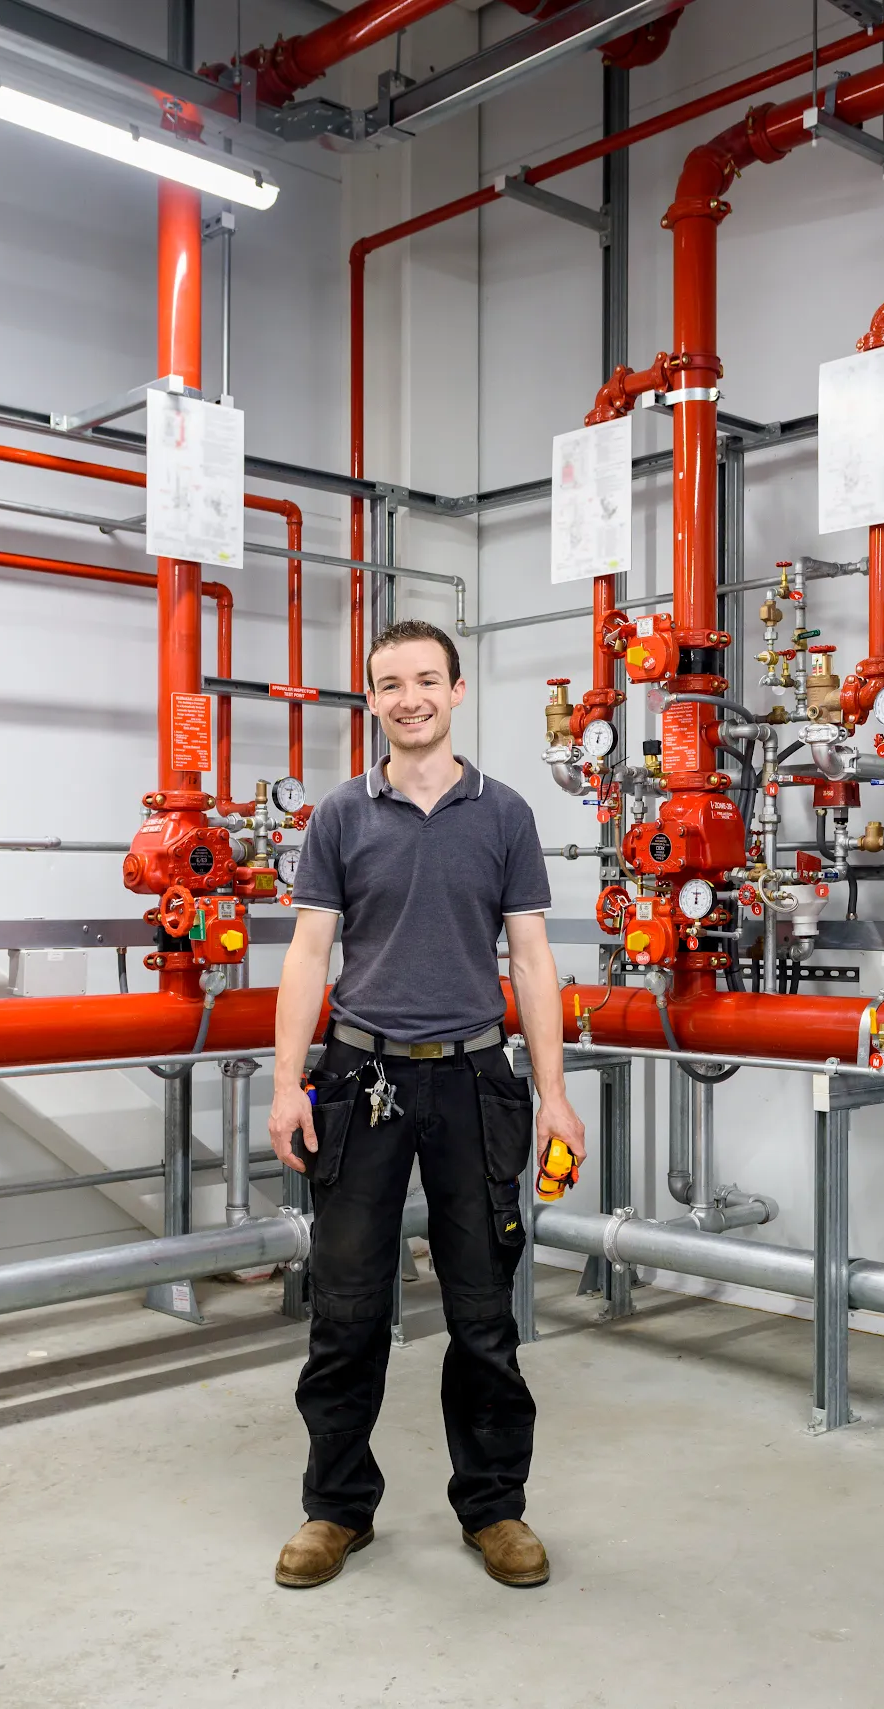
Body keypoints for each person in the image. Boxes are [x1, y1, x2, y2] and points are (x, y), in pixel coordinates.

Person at [267, 618, 585, 1591]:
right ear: (372, 700)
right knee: (348, 1307)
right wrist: (287, 1081)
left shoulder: (504, 815)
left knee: (484, 1311)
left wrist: (554, 1093)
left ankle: (493, 1507)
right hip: (359, 1077)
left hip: (474, 1076)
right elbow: (308, 953)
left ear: (455, 692)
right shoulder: (339, 817)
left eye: (425, 679)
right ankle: (336, 1507)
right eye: (389, 682)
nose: (408, 695)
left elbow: (530, 958)